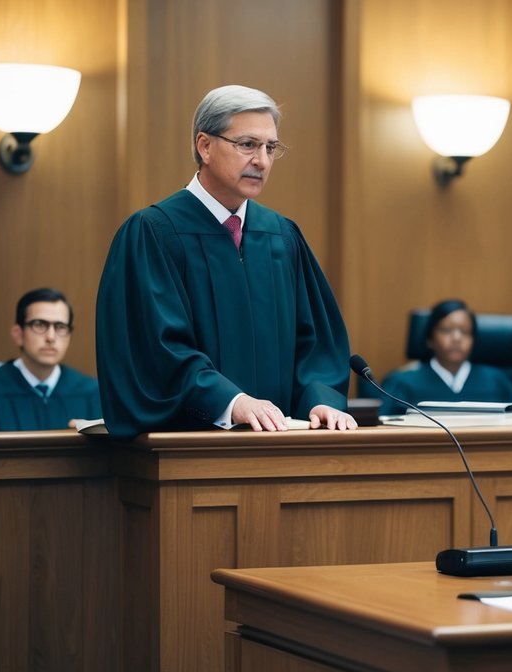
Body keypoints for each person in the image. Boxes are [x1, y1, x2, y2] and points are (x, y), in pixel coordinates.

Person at [95, 85, 355, 437]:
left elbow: (315, 343)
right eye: (247, 144)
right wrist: (231, 402)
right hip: (191, 456)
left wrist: (320, 399)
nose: (262, 161)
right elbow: (155, 349)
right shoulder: (153, 233)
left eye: (270, 147)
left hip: (284, 450)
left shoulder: (281, 237)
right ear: (205, 146)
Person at [0, 288, 101, 432]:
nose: (51, 337)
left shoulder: (93, 394)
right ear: (18, 334)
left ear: (69, 336)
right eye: (39, 324)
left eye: (60, 327)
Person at [377, 299, 512, 420]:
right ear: (430, 339)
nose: (457, 338)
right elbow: (382, 426)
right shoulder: (403, 382)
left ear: (474, 340)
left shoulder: (495, 380)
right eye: (447, 330)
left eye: (465, 332)